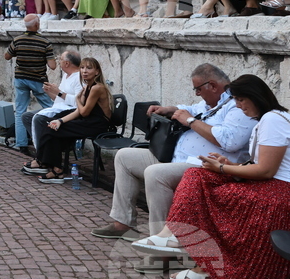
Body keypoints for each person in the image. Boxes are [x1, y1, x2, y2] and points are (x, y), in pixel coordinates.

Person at [162, 74, 290, 279]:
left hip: (287, 195)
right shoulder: (270, 119)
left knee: (214, 193)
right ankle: (195, 254)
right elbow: (262, 166)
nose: (238, 106)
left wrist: (223, 169)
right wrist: (231, 165)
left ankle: (202, 261)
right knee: (198, 177)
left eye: (240, 100)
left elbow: (266, 171)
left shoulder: (273, 120)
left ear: (254, 97)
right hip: (278, 188)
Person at [91, 64, 254, 253]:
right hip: (177, 158)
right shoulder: (211, 102)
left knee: (156, 174)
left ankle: (162, 246)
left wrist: (191, 121)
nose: (197, 94)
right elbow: (192, 108)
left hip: (204, 165)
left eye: (198, 89)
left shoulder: (238, 105)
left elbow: (230, 141)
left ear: (213, 86)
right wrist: (170, 109)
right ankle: (123, 222)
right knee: (125, 156)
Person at [27, 57, 112, 183]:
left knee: (52, 131)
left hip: (97, 124)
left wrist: (78, 99)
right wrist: (60, 121)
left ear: (97, 72)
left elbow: (83, 111)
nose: (84, 71)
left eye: (89, 68)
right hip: (87, 120)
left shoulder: (97, 88)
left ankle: (52, 167)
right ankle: (52, 166)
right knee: (52, 126)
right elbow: (78, 111)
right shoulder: (87, 87)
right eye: (82, 68)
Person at [5, 14, 57, 155]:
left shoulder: (17, 40)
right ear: (37, 24)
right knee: (51, 108)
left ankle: (21, 143)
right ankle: (54, 138)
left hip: (21, 79)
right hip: (37, 79)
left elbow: (7, 56)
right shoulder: (45, 42)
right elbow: (52, 66)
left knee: (20, 110)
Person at [20, 50, 82, 156]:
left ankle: (46, 152)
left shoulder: (79, 78)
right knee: (27, 117)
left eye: (61, 59)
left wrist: (58, 92)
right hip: (59, 108)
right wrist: (50, 92)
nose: (59, 62)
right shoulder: (66, 76)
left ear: (67, 63)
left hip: (70, 112)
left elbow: (78, 102)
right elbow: (60, 99)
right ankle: (44, 148)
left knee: (39, 119)